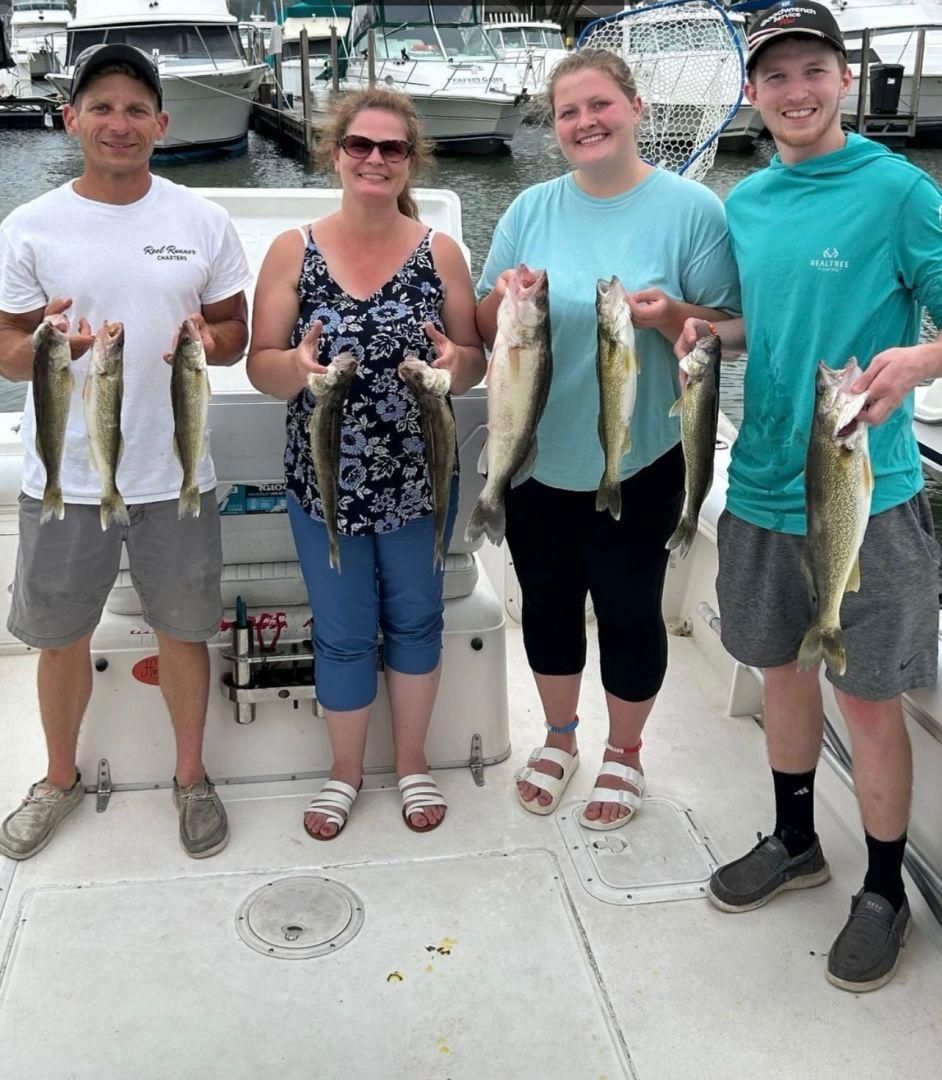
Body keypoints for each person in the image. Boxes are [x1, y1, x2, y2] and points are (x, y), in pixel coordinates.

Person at [675, 1, 942, 992]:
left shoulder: (899, 192)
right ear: (754, 92)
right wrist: (701, 330)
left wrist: (916, 359)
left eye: (812, 72)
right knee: (782, 674)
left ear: (843, 80)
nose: (794, 92)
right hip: (760, 486)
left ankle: (884, 892)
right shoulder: (747, 201)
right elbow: (759, 324)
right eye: (775, 76)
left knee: (868, 705)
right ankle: (795, 840)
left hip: (871, 494)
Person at [475, 50, 740, 830]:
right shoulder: (530, 209)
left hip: (641, 459)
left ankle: (625, 752)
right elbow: (490, 324)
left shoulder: (693, 209)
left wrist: (669, 319)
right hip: (532, 458)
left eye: (600, 105)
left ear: (635, 106)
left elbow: (731, 329)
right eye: (568, 112)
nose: (586, 122)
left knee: (629, 613)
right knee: (549, 606)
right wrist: (509, 300)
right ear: (555, 126)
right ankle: (560, 737)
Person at [0, 44, 251, 861]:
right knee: (59, 635)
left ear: (161, 124)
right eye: (101, 107)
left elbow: (233, 333)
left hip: (176, 472)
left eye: (136, 109)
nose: (119, 123)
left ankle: (189, 777)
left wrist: (206, 341)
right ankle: (58, 778)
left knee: (184, 629)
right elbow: (6, 348)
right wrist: (41, 341)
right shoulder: (28, 227)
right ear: (70, 118)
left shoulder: (201, 221)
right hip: (65, 478)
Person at [247, 88, 485, 840]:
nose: (375, 160)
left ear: (410, 160)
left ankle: (411, 763)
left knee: (416, 618)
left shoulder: (438, 250)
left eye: (392, 149)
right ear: (334, 152)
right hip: (325, 482)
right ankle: (345, 773)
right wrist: (299, 367)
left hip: (420, 477)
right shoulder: (294, 249)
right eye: (361, 145)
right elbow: (261, 365)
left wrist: (457, 361)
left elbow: (472, 361)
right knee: (344, 628)